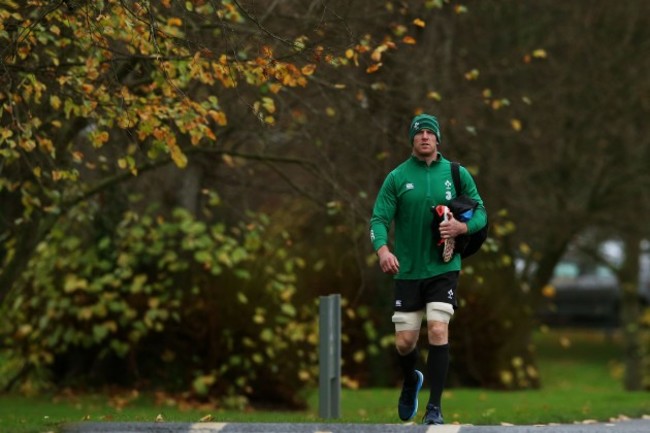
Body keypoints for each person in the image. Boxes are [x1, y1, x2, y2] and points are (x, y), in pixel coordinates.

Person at [369, 113, 487, 425]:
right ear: (412, 139)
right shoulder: (397, 177)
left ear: (437, 140)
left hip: (443, 268)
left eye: (429, 133)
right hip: (407, 271)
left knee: (437, 328)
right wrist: (383, 250)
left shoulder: (456, 173)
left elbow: (481, 213)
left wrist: (462, 227)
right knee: (405, 342)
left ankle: (434, 408)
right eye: (419, 133)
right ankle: (411, 381)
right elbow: (378, 219)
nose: (424, 137)